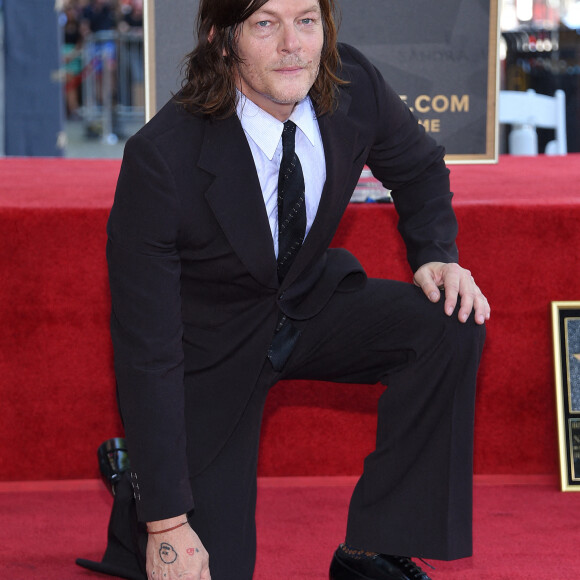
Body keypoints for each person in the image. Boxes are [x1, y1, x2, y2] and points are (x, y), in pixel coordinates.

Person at [77, 0, 489, 579]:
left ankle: (375, 550)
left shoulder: (353, 85)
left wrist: (436, 255)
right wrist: (166, 525)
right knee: (210, 567)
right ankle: (139, 483)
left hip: (305, 305)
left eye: (307, 20)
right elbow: (147, 352)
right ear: (224, 41)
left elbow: (420, 168)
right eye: (266, 23)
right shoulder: (161, 159)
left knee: (449, 320)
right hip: (207, 351)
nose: (293, 44)